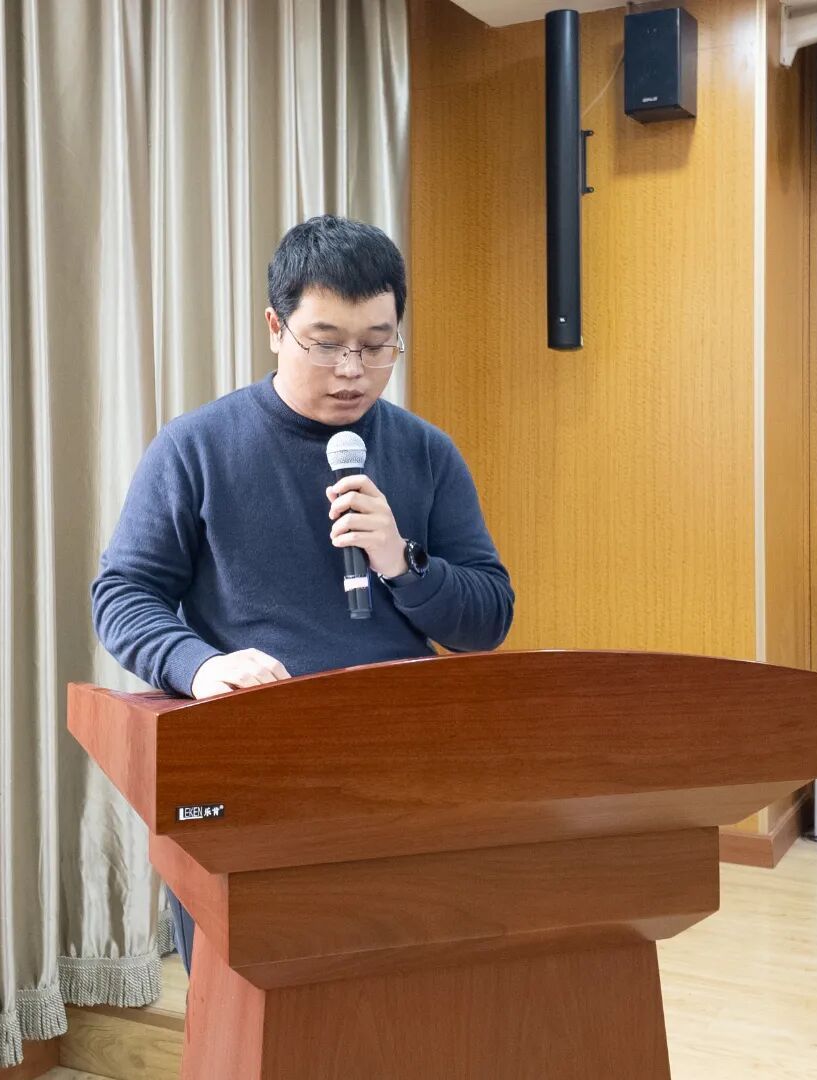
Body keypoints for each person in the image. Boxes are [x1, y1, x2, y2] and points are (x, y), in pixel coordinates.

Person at [90, 215, 514, 976]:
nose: (353, 370)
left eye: (378, 344)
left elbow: (488, 620)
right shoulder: (196, 447)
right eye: (326, 343)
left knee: (408, 991)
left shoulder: (427, 453)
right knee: (255, 997)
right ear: (275, 329)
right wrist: (199, 666)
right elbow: (124, 594)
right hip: (257, 757)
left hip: (408, 766)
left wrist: (403, 562)